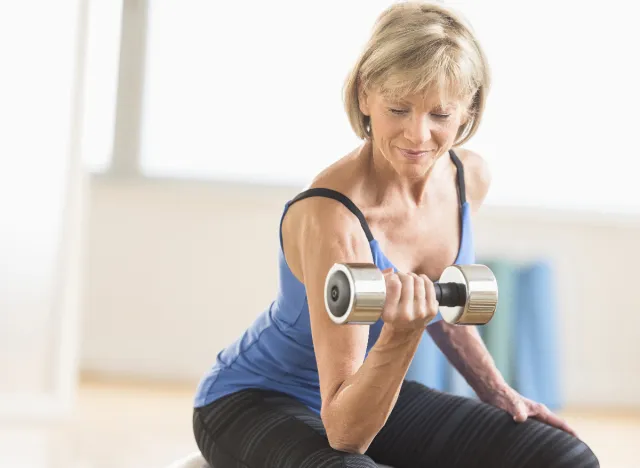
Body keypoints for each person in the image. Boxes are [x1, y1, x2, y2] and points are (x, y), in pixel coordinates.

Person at [191, 2, 599, 467]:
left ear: (469, 109)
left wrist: (500, 392)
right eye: (398, 109)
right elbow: (345, 433)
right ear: (366, 95)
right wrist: (402, 334)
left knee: (564, 457)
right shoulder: (331, 216)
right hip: (255, 401)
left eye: (440, 114)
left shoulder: (470, 178)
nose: (417, 134)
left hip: (371, 387)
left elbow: (444, 303)